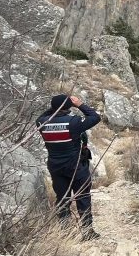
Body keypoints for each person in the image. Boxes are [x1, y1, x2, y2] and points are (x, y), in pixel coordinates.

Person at [36, 93, 102, 240]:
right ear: (68, 107)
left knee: (62, 198)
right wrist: (78, 104)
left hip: (55, 166)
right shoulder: (74, 122)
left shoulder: (41, 122)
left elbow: (45, 114)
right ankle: (87, 231)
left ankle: (65, 232)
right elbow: (95, 117)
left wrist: (55, 107)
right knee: (83, 196)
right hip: (76, 166)